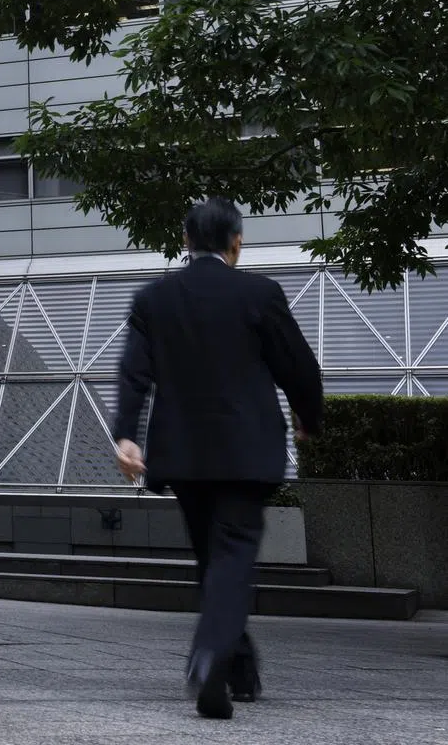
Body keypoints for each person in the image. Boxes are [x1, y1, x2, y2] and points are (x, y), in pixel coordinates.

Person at [111, 197, 323, 720]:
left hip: (182, 456)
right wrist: (308, 417)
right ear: (236, 243)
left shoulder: (155, 299)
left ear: (186, 242)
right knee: (230, 558)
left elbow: (134, 373)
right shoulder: (259, 294)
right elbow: (297, 365)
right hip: (245, 451)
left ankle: (238, 666)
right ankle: (210, 659)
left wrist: (127, 437)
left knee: (213, 559)